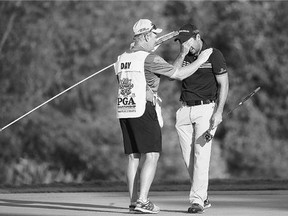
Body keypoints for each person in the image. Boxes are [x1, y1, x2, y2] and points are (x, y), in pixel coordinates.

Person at [114, 19, 213, 214]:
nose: (156, 38)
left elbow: (126, 79)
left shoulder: (121, 58)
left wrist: (174, 52)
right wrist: (201, 60)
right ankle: (143, 201)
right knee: (151, 154)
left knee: (134, 157)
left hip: (125, 110)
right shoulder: (150, 59)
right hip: (144, 108)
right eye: (153, 35)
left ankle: (134, 201)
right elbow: (178, 74)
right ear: (146, 36)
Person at [174, 24, 229, 214]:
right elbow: (174, 75)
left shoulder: (214, 54)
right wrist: (182, 53)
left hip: (206, 109)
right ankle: (203, 197)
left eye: (187, 40)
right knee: (188, 159)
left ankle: (196, 200)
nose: (184, 44)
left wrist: (219, 111)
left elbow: (224, 84)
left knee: (201, 156)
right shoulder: (183, 55)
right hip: (183, 110)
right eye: (181, 41)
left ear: (197, 36)